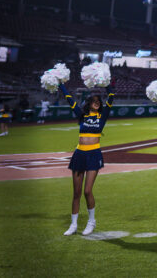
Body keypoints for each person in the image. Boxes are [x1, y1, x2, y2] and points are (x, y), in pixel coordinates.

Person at [58, 81, 114, 236]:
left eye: (98, 101)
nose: (97, 103)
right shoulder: (81, 116)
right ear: (89, 103)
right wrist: (61, 85)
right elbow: (69, 99)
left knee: (87, 191)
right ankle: (73, 225)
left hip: (94, 154)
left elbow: (111, 96)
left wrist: (106, 82)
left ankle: (91, 222)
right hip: (79, 154)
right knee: (76, 192)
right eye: (94, 101)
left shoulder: (102, 116)